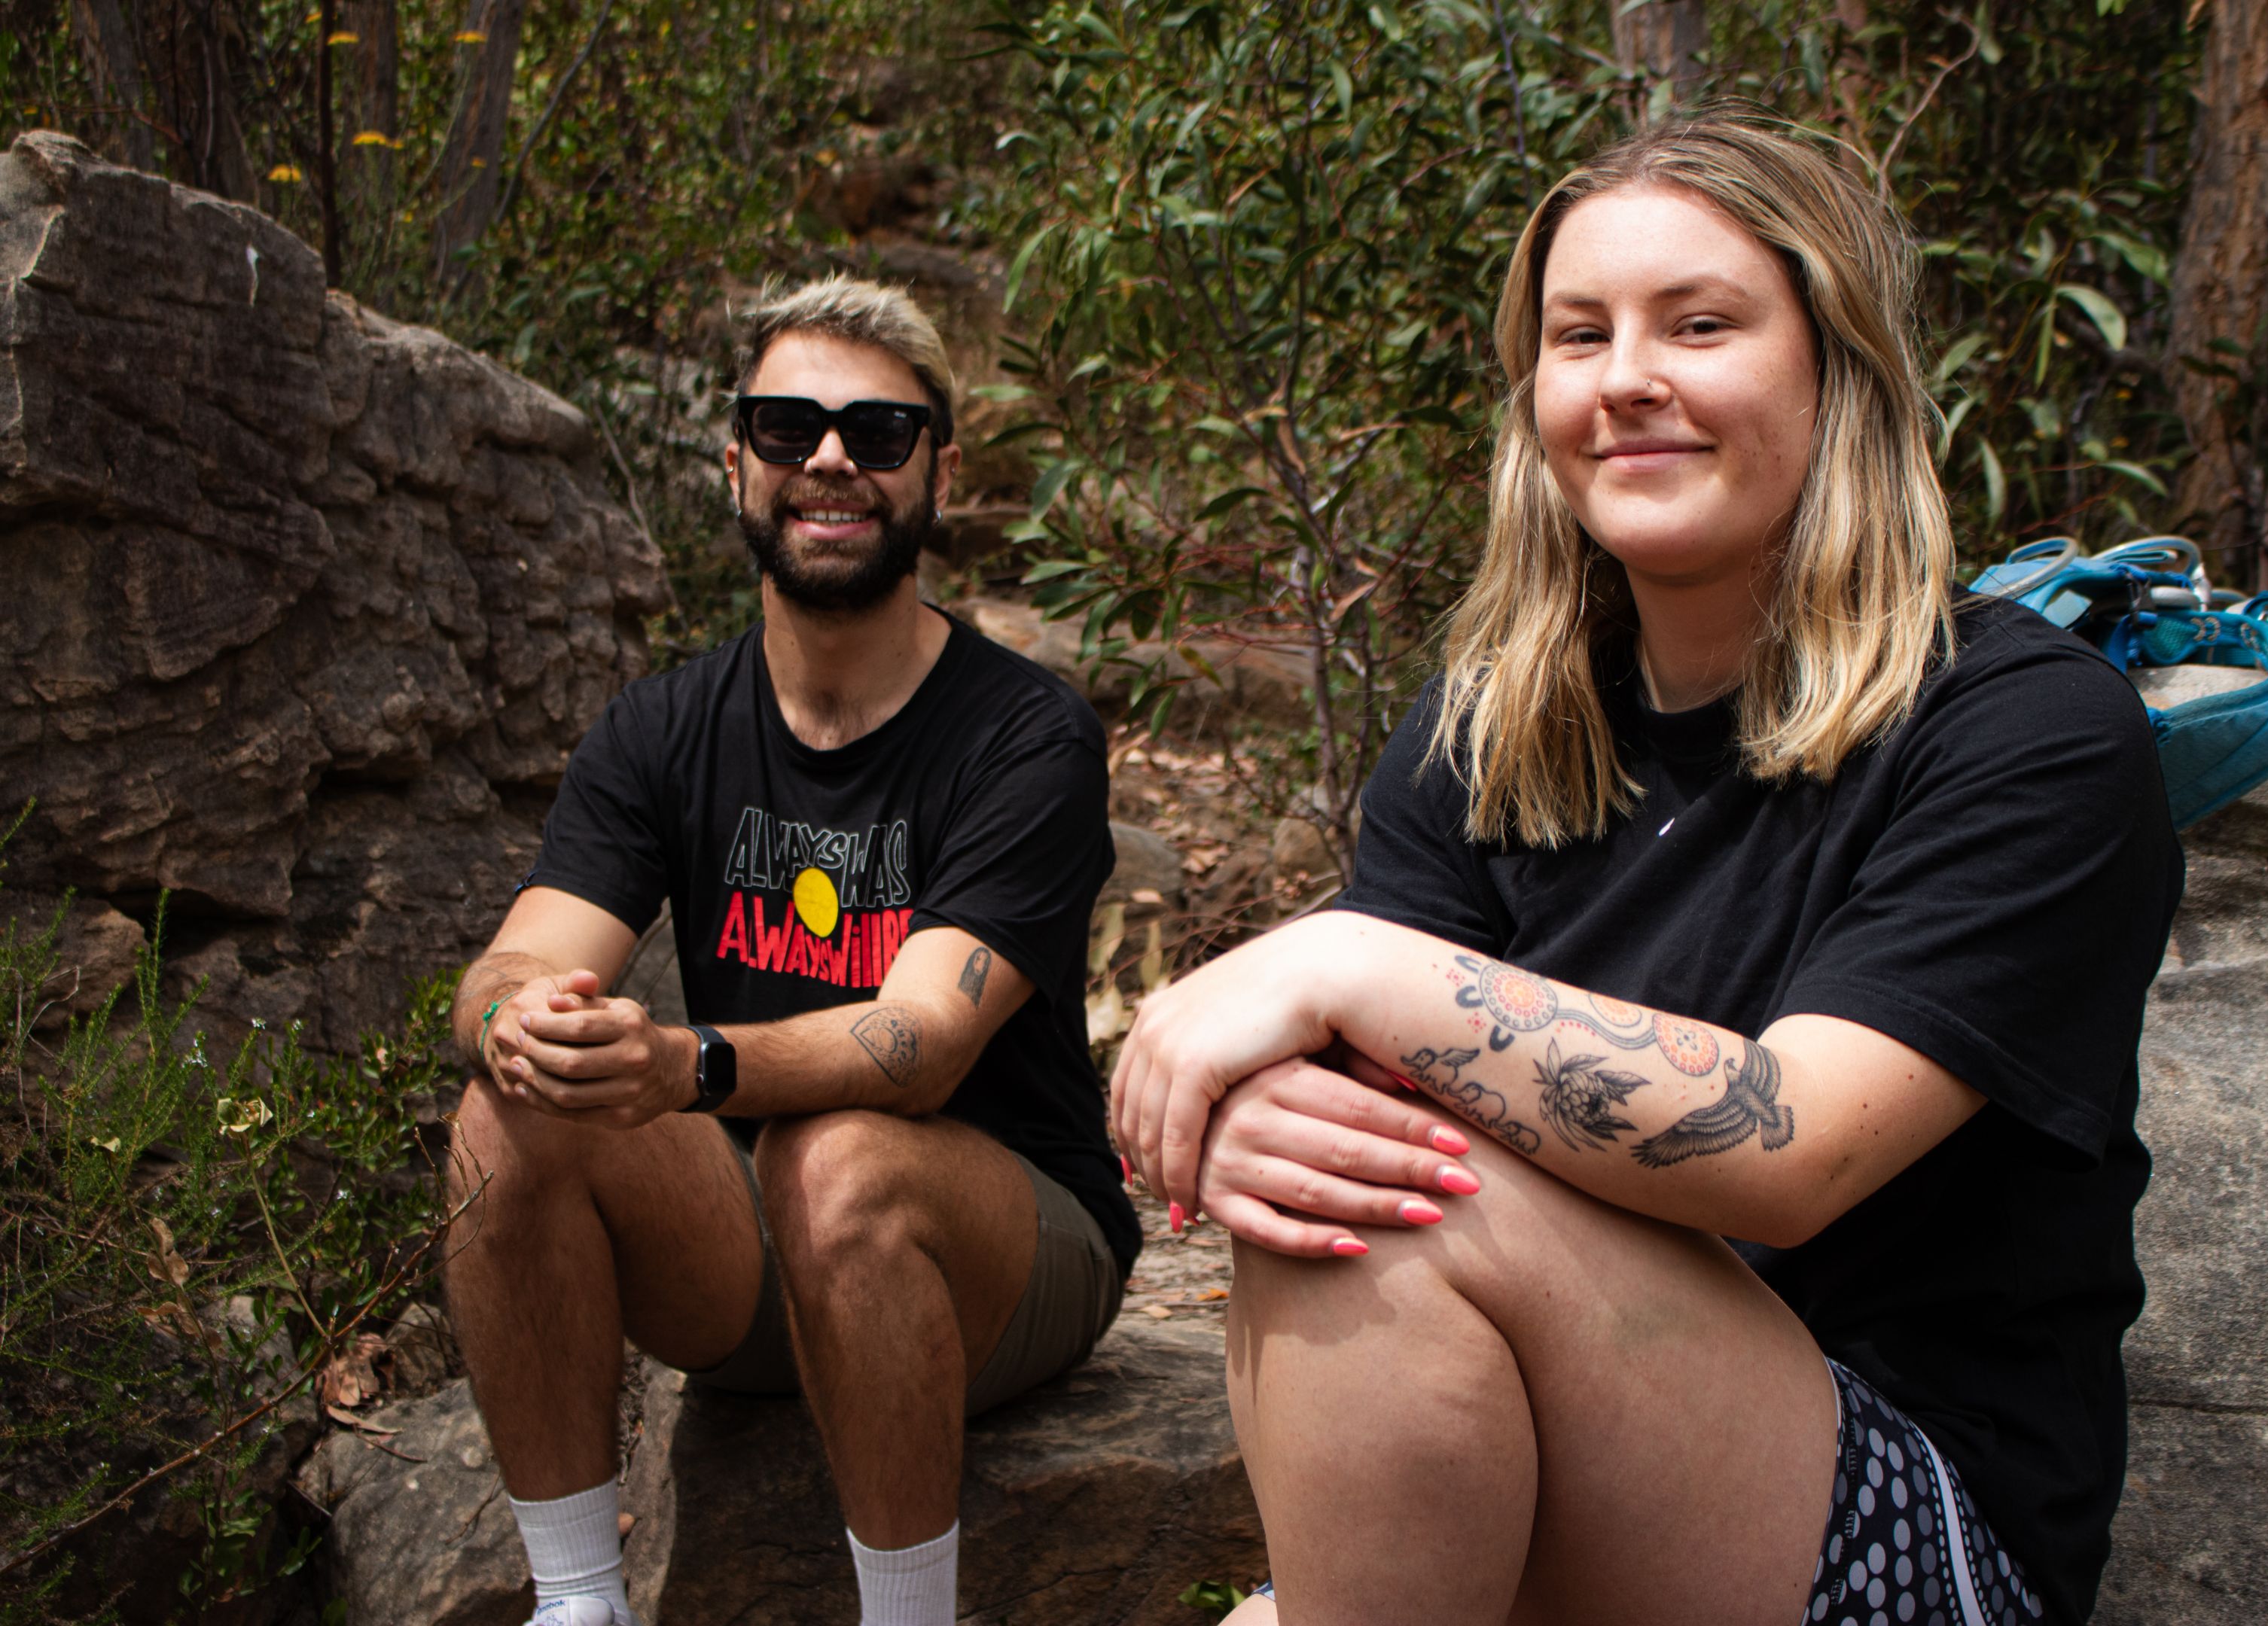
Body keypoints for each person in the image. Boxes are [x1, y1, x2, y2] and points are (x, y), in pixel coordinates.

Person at [1112, 117, 2180, 1626]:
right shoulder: (1486, 735)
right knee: (1358, 1182)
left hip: (1912, 1546)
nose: (1625, 380)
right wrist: (1257, 1116)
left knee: (1417, 1201)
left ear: (1840, 366)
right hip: (1562, 1466)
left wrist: (1335, 964)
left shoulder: (2024, 731)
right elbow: (1346, 1109)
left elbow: (1793, 1144)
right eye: (1578, 335)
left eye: (1701, 324)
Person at [445, 274, 1137, 1626]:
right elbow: (505, 967)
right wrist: (520, 1024)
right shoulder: (661, 728)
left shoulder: (1025, 737)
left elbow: (923, 1042)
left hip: (1006, 1244)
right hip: (764, 1254)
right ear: (735, 465)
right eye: (787, 428)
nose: (830, 459)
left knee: (844, 1156)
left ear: (939, 469)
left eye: (879, 434)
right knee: (508, 1109)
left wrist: (688, 1062)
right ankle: (578, 1606)